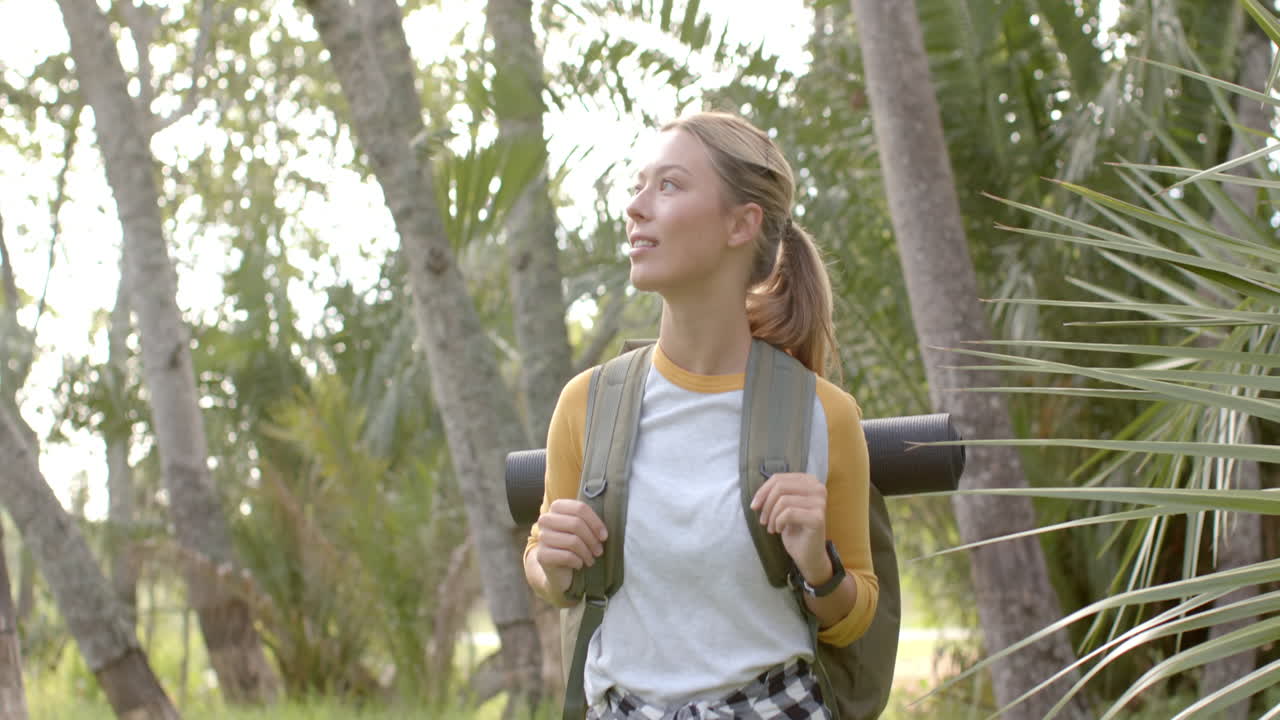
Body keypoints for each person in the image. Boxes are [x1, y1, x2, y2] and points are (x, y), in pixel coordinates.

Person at [523, 111, 878, 720]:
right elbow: (548, 571)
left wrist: (817, 563)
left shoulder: (823, 414)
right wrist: (550, 562)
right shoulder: (587, 403)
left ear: (742, 224)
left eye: (669, 185)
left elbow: (854, 618)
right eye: (638, 185)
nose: (635, 207)